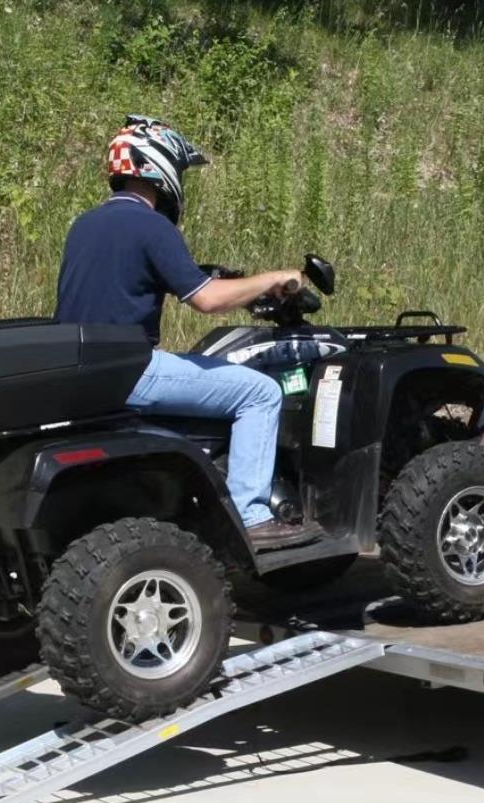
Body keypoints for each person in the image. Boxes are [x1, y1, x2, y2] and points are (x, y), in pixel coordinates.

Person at [55, 114, 318, 551]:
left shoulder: (84, 224)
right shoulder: (152, 226)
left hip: (79, 369)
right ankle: (252, 517)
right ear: (159, 167)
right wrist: (274, 278)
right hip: (131, 370)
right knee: (260, 392)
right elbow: (207, 299)